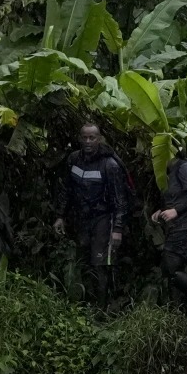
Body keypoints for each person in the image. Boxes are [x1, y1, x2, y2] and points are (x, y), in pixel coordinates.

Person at [53, 122, 130, 306]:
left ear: (99, 139)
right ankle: (82, 304)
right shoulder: (73, 159)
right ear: (79, 139)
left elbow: (120, 200)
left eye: (92, 138)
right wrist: (60, 216)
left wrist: (117, 228)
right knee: (82, 261)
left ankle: (101, 310)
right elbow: (66, 190)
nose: (88, 141)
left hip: (102, 219)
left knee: (100, 265)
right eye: (84, 137)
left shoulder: (110, 165)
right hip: (80, 219)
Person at [151, 151, 187, 311]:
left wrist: (176, 210)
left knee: (173, 269)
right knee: (172, 271)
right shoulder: (167, 170)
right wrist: (162, 211)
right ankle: (181, 311)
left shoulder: (184, 168)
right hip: (176, 228)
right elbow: (176, 197)